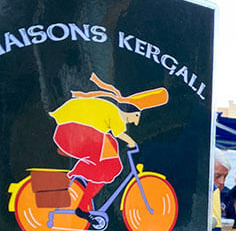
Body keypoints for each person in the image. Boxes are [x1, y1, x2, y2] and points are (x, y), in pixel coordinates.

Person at [49, 73, 168, 222]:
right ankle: (80, 172)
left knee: (106, 170)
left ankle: (82, 207)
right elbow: (120, 134)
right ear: (130, 112)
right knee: (111, 160)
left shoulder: (110, 113)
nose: (135, 122)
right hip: (71, 134)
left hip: (70, 136)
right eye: (136, 116)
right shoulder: (115, 113)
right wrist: (132, 143)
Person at [211, 149, 230, 231]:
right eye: (218, 176)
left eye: (225, 176)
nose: (222, 182)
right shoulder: (213, 192)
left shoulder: (228, 194)